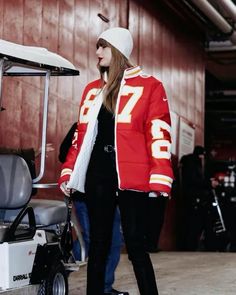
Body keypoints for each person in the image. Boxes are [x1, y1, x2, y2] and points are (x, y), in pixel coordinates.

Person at [58, 27, 173, 295]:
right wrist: (69, 172)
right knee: (98, 244)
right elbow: (81, 138)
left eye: (103, 47)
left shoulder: (150, 86)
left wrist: (160, 175)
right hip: (98, 172)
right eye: (97, 47)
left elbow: (159, 133)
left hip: (133, 175)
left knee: (136, 245)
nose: (97, 52)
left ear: (119, 50)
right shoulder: (91, 90)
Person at [59, 122, 127, 295]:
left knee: (114, 241)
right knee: (91, 240)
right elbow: (63, 155)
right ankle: (57, 272)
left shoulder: (119, 124)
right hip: (84, 194)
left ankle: (105, 287)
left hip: (110, 196)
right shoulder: (80, 125)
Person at [180, 145, 217, 251]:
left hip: (190, 198)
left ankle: (190, 246)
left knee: (192, 224)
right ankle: (192, 246)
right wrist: (209, 184)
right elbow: (195, 180)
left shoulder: (188, 161)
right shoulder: (193, 164)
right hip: (195, 198)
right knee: (196, 224)